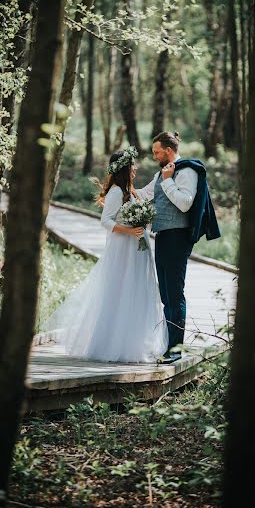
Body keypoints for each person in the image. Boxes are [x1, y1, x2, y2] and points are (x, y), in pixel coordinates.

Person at [46, 146, 168, 363]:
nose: (136, 168)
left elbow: (148, 192)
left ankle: (136, 341)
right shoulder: (115, 193)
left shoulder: (129, 191)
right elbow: (106, 220)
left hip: (137, 247)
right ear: (124, 168)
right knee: (122, 290)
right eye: (132, 165)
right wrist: (130, 230)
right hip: (123, 248)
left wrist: (162, 175)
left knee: (137, 289)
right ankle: (115, 343)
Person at [137, 131, 220, 363]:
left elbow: (185, 204)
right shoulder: (163, 172)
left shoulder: (187, 171)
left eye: (156, 152)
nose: (154, 156)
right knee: (165, 292)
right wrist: (121, 189)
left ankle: (176, 348)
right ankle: (168, 345)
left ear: (169, 150)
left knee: (174, 292)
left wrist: (168, 181)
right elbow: (145, 194)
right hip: (163, 235)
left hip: (178, 237)